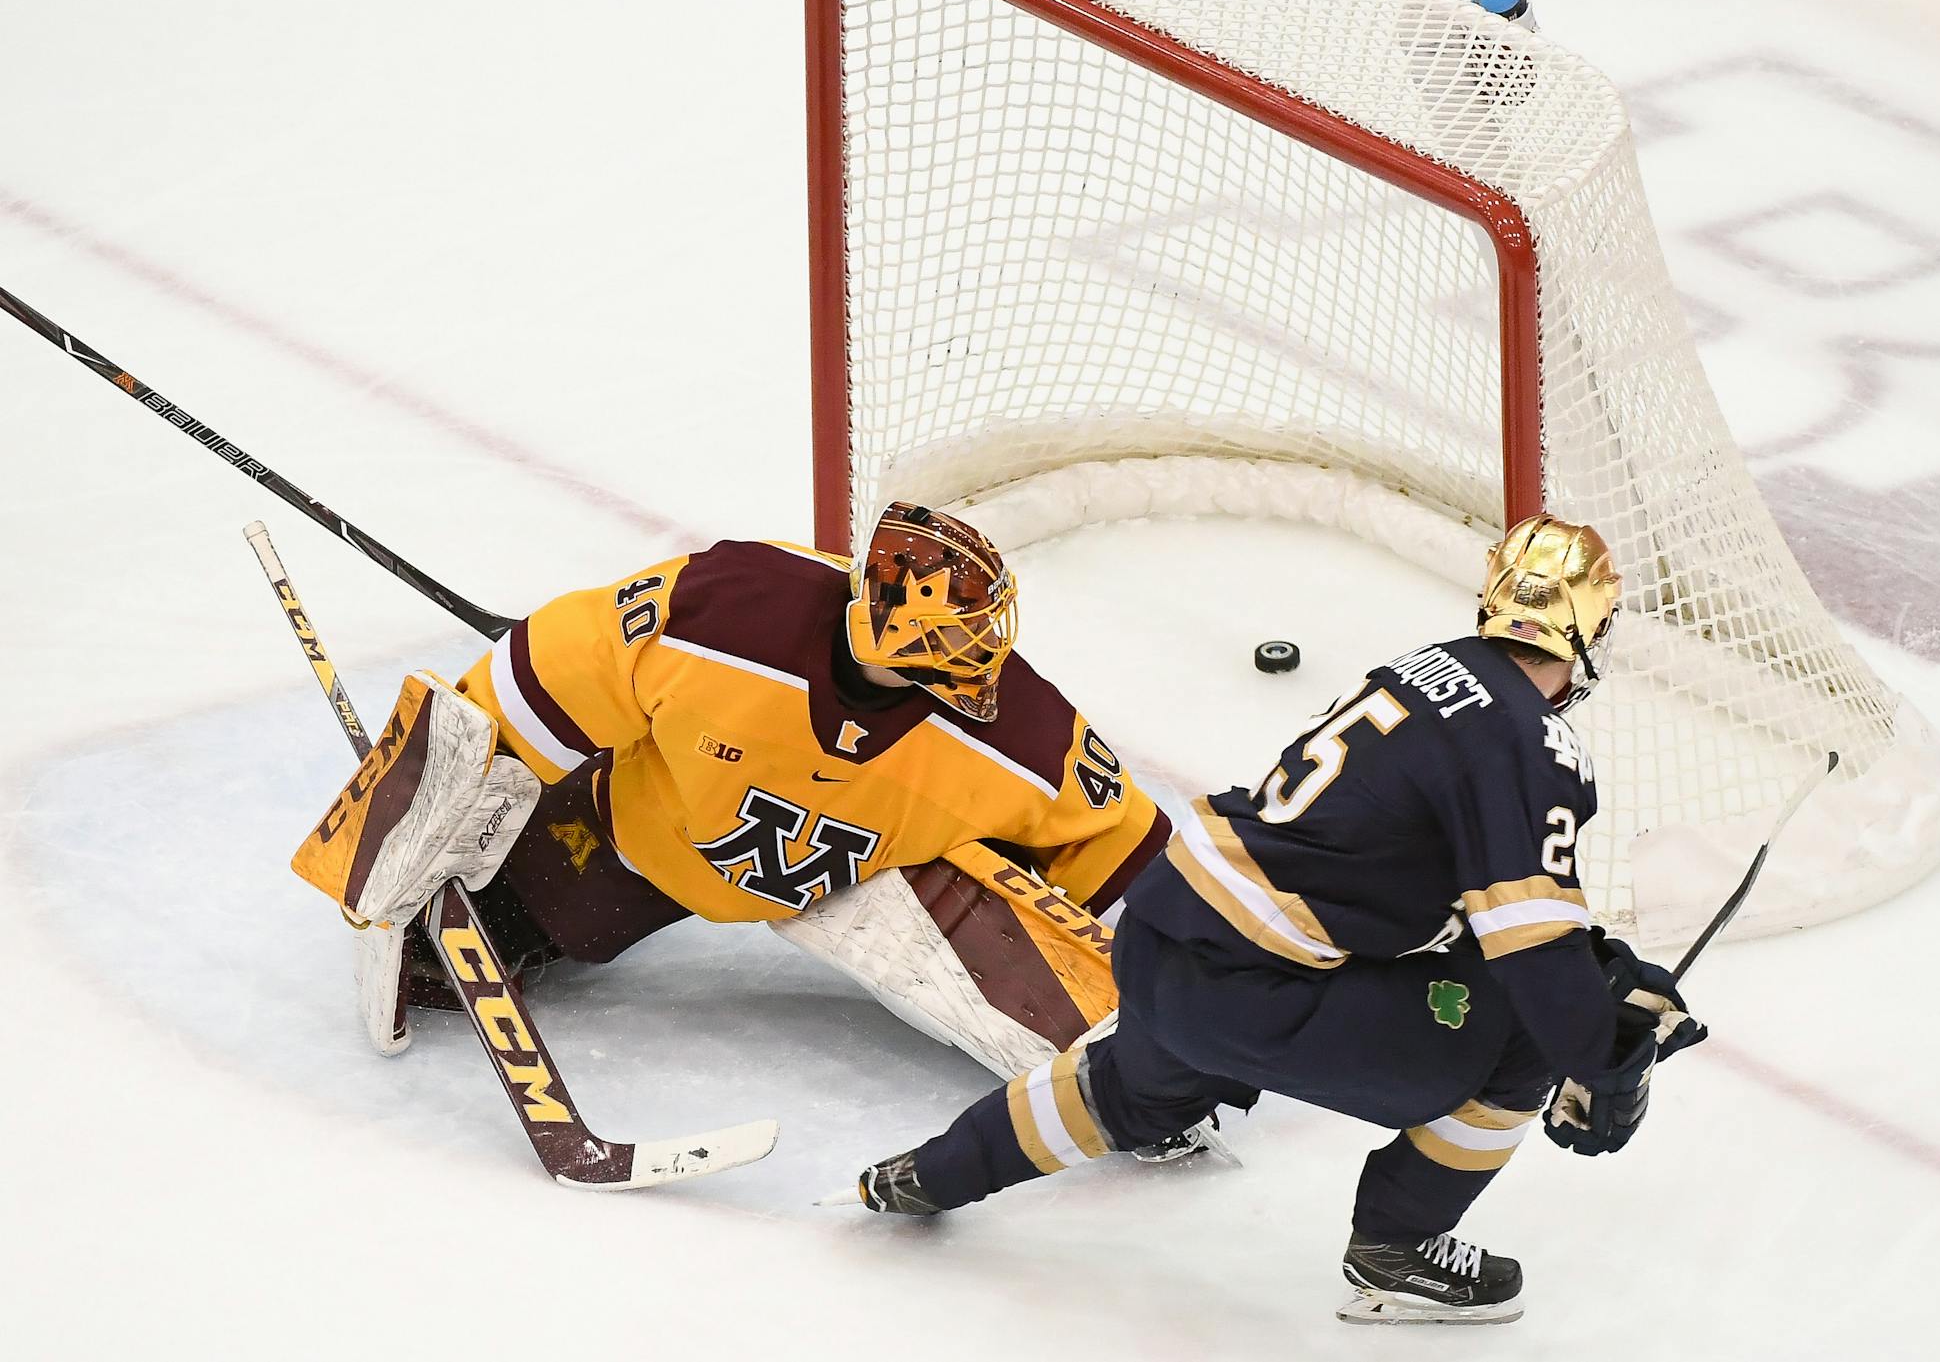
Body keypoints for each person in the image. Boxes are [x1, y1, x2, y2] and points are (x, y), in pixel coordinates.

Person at [838, 515, 1708, 1325]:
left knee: (1124, 1089)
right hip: (1252, 986)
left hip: (1166, 931)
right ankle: (1397, 1249)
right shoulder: (1532, 742)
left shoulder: (1431, 666)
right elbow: (1531, 949)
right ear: (1589, 632)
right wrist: (1604, 1055)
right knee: (1522, 1035)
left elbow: (1430, 875)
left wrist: (1596, 968)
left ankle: (930, 1173)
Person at [289, 501, 1171, 1089]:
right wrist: (418, 806)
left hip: (866, 878)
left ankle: (1126, 1056)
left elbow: (1130, 852)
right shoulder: (734, 610)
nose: (987, 658)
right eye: (962, 638)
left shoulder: (1022, 733)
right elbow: (547, 671)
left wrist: (1178, 999)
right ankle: (514, 900)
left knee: (1082, 997)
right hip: (657, 831)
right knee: (520, 926)